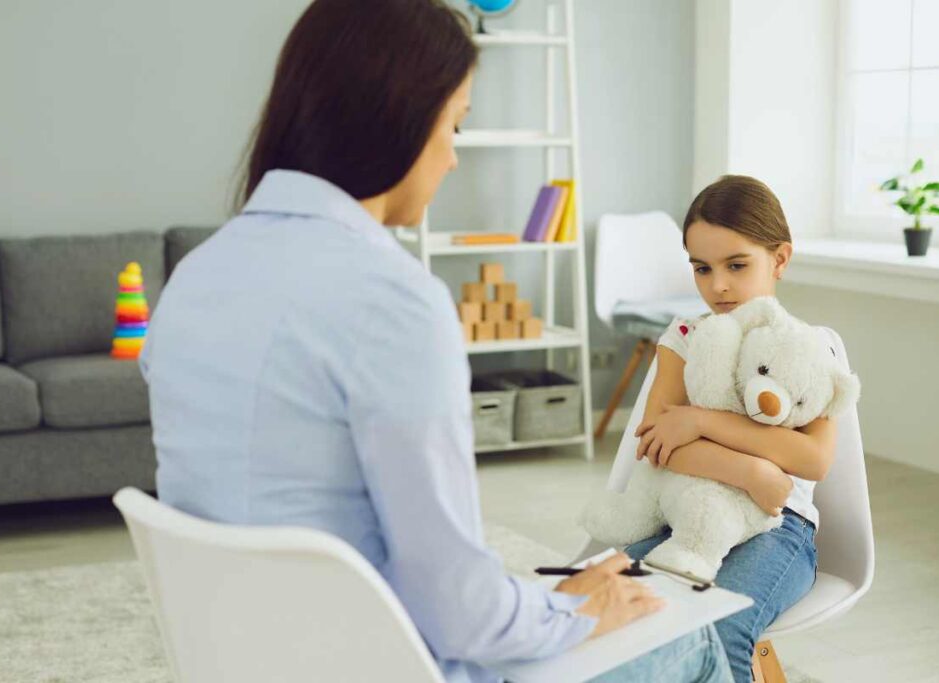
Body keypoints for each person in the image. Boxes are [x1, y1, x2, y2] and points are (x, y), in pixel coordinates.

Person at [140, 0, 730, 680]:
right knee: (688, 633)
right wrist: (569, 610)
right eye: (454, 124)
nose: (453, 156)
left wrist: (545, 605)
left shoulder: (194, 278)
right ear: (400, 119)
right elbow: (459, 612)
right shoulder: (392, 302)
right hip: (378, 664)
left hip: (251, 657)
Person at [626, 175, 831, 682]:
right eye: (702, 268)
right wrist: (751, 471)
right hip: (682, 519)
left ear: (779, 259)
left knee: (720, 627)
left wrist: (698, 421)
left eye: (736, 266)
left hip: (780, 528)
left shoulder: (806, 345)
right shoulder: (682, 338)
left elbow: (812, 460)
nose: (717, 285)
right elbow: (657, 444)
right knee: (607, 614)